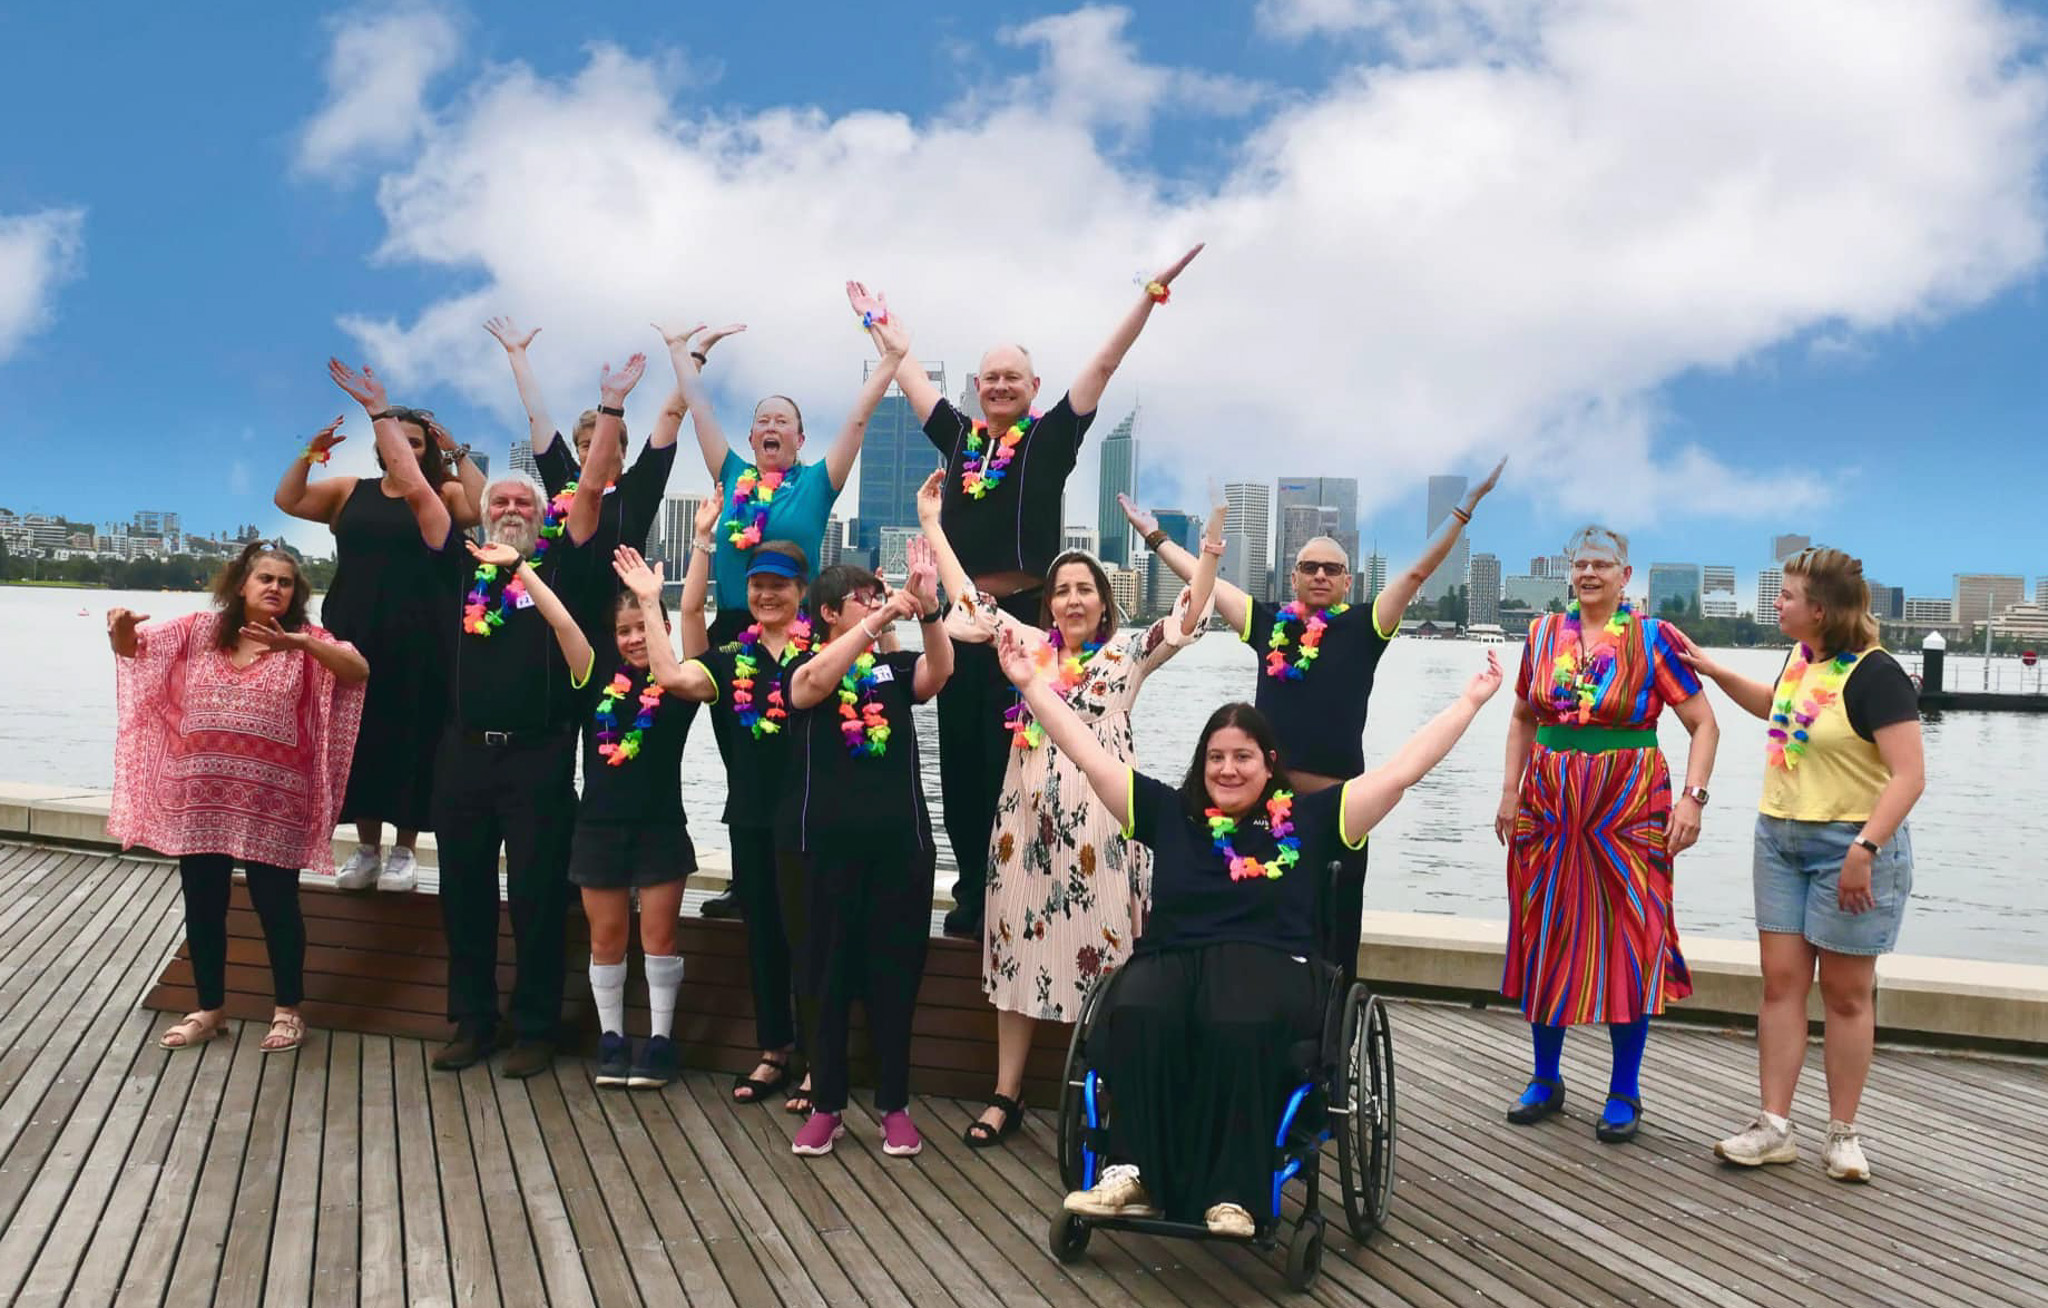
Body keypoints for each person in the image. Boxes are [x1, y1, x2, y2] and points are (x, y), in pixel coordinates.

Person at [1006, 630, 1502, 1231]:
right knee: (1137, 1011)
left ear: (1270, 765)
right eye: (1216, 757)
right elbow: (1087, 753)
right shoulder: (1170, 814)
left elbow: (1401, 773)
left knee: (1234, 1017)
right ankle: (1130, 1169)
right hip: (1172, 959)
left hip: (1272, 966)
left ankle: (1234, 1191)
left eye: (1243, 757)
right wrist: (1032, 684)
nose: (1228, 769)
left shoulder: (1315, 820)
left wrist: (1470, 702)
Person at [849, 244, 1205, 939]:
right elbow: (911, 376)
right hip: (960, 616)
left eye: (1013, 377)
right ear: (978, 389)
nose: (1001, 386)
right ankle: (975, 895)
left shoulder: (1049, 440)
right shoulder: (959, 442)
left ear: (1033, 385)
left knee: (1020, 754)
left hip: (1028, 623)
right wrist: (879, 327)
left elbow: (1103, 365)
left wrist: (1149, 296)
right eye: (990, 379)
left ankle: (1019, 883)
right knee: (959, 761)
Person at [331, 355, 628, 1079]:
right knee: (462, 894)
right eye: (503, 503)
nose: (513, 511)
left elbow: (590, 487)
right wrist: (379, 415)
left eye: (526, 504)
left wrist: (612, 406)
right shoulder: (458, 565)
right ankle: (472, 1020)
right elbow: (421, 495)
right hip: (461, 756)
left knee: (535, 899)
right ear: (485, 512)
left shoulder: (563, 566)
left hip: (540, 758)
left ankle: (536, 1027)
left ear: (541, 516)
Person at [918, 470, 1225, 1147]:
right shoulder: (1026, 649)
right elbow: (969, 598)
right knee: (1014, 950)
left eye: (1085, 588)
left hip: (1106, 827)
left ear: (1104, 602)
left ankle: (1110, 1088)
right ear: (1049, 606)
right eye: (1062, 590)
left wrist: (1208, 556)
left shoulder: (1127, 655)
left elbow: (1190, 616)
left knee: (1112, 954)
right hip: (1024, 827)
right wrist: (934, 524)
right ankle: (1007, 1093)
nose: (1073, 599)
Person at [1134, 456, 1507, 973]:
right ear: (1293, 576)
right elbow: (1206, 584)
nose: (1320, 575)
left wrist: (1466, 507)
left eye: (1332, 568)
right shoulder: (1268, 625)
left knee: (1335, 933)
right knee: (1268, 926)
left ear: (1348, 581)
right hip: (1269, 806)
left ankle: (1329, 1038)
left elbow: (1418, 569)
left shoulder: (1366, 626)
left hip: (1337, 809)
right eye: (1309, 566)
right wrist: (1155, 539)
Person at [653, 298, 907, 920]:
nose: (771, 427)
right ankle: (746, 883)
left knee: (792, 753)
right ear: (751, 437)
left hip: (795, 633)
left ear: (798, 438)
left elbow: (857, 419)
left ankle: (796, 868)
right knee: (741, 759)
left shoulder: (819, 482)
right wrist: (683, 352)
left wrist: (889, 357)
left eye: (783, 421)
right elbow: (701, 411)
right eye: (762, 419)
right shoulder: (732, 471)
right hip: (734, 631)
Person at [1680, 549, 1924, 1182]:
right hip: (1781, 840)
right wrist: (1711, 670)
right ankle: (1774, 1126)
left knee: (1845, 995)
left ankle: (1842, 1134)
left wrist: (1863, 851)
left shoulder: (1877, 676)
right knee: (1781, 984)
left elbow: (1909, 776)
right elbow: (1775, 707)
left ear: (1821, 609)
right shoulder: (1802, 659)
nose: (1777, 605)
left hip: (1851, 847)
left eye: (1786, 597)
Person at [1492, 525, 1720, 1143]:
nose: (1590, 573)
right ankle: (1546, 1078)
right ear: (1570, 572)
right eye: (1581, 563)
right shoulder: (1541, 635)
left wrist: (1694, 801)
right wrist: (1510, 789)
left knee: (1632, 935)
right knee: (1545, 927)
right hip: (1547, 804)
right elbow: (1521, 716)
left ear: (1626, 575)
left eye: (1603, 564)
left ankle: (1625, 1089)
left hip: (1629, 804)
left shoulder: (1652, 638)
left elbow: (1704, 724)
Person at [107, 542, 369, 1054]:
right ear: (242, 585)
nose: (275, 587)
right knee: (203, 903)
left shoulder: (307, 640)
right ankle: (209, 1010)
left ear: (297, 594)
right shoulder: (198, 632)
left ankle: (288, 1011)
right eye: (265, 578)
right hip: (201, 798)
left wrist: (301, 646)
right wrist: (119, 626)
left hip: (274, 803)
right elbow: (133, 649)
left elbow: (357, 671)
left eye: (286, 582)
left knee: (277, 905)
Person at [617, 503, 820, 1114]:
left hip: (815, 820)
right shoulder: (731, 657)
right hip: (753, 818)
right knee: (765, 936)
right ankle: (774, 1049)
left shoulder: (827, 652)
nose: (766, 595)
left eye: (778, 587)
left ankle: (819, 1058)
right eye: (758, 586)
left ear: (801, 592)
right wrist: (652, 603)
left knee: (814, 938)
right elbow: (674, 678)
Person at [779, 547, 952, 1158]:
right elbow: (809, 690)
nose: (879, 606)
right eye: (865, 598)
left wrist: (928, 611)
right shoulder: (803, 662)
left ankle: (894, 1106)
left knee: (894, 979)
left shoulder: (895, 669)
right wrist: (877, 621)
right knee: (824, 979)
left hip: (899, 849)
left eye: (881, 597)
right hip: (820, 851)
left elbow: (939, 674)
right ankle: (827, 1105)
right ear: (828, 612)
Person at [279, 398, 477, 894]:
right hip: (354, 637)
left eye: (414, 442)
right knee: (357, 741)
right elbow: (288, 500)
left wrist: (457, 453)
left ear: (425, 449)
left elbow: (477, 507)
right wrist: (310, 452)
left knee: (416, 738)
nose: (402, 450)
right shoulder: (350, 491)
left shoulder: (442, 493)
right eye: (395, 442)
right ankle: (367, 849)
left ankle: (406, 851)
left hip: (423, 640)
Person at [569, 566, 709, 1091]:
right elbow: (563, 623)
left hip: (660, 827)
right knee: (605, 937)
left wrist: (659, 595)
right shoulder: (594, 682)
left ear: (660, 629)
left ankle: (660, 1041)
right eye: (623, 630)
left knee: (659, 937)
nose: (632, 639)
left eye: (643, 627)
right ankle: (611, 1039)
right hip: (598, 827)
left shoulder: (678, 686)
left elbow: (695, 629)